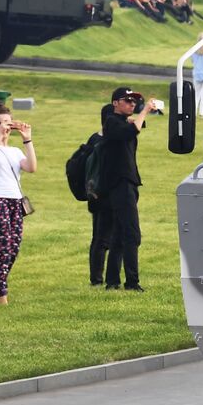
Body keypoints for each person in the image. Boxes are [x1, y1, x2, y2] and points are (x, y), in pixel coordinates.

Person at [101, 86, 160, 292]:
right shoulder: (111, 122)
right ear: (115, 103)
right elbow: (132, 129)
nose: (132, 104)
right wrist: (144, 112)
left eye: (135, 102)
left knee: (119, 234)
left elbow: (135, 126)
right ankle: (132, 282)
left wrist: (138, 116)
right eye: (127, 101)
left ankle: (112, 281)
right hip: (121, 184)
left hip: (127, 183)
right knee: (132, 235)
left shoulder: (119, 122)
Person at [0, 104, 36, 304]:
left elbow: (31, 167)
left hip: (15, 203)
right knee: (2, 248)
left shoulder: (15, 151)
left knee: (12, 249)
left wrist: (27, 138)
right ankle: (2, 298)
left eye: (7, 122)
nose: (4, 126)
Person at [88, 101, 115, 286]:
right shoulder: (102, 142)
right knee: (102, 239)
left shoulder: (95, 139)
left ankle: (100, 278)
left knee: (101, 238)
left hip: (99, 195)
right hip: (103, 195)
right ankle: (97, 279)